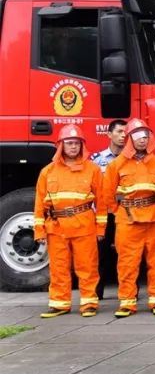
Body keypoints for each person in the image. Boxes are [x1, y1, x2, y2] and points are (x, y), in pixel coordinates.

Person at [34, 125, 104, 318]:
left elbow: (102, 202)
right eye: (69, 143)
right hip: (56, 227)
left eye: (77, 143)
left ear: (82, 146)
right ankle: (59, 304)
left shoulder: (93, 169)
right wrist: (39, 231)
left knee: (87, 267)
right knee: (58, 268)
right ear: (61, 145)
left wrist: (101, 229)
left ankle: (89, 303)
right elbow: (39, 204)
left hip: (84, 225)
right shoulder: (47, 172)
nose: (73, 147)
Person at [102, 119, 155, 317]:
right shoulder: (116, 164)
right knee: (127, 264)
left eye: (145, 135)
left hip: (154, 220)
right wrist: (121, 211)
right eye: (138, 135)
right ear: (129, 138)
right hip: (128, 221)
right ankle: (127, 302)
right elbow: (108, 195)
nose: (142, 139)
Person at [91, 119, 125, 300]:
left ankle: (129, 292)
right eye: (119, 132)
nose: (123, 135)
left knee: (127, 253)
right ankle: (97, 292)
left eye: (125, 132)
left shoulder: (131, 159)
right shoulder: (97, 160)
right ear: (109, 134)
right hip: (104, 214)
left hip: (125, 212)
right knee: (100, 254)